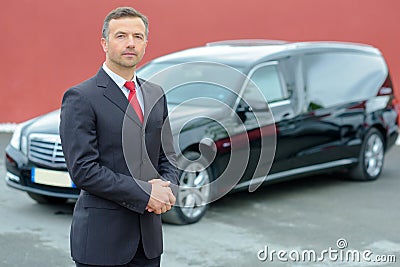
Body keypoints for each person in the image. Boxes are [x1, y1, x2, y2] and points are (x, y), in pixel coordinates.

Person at [60, 6, 178, 267]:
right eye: (121, 36)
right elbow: (83, 171)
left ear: (146, 43)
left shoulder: (155, 93)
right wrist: (146, 193)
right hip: (102, 243)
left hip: (148, 243)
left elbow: (168, 156)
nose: (130, 43)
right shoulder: (81, 98)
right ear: (104, 43)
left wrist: (167, 191)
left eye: (138, 36)